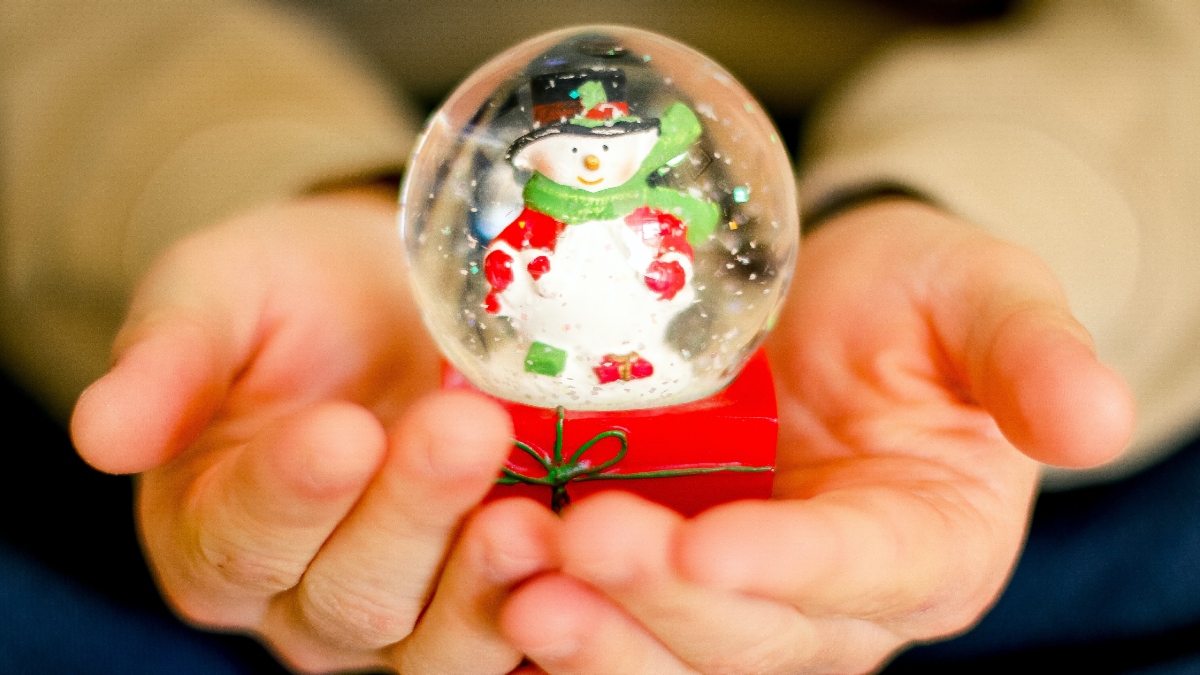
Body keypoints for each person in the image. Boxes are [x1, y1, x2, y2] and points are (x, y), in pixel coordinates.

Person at [3, 0, 1197, 673]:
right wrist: (215, 172)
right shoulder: (503, 208)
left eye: (610, 158)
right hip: (260, 178)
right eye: (572, 158)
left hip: (995, 214)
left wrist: (1024, 201)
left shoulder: (685, 212)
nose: (590, 164)